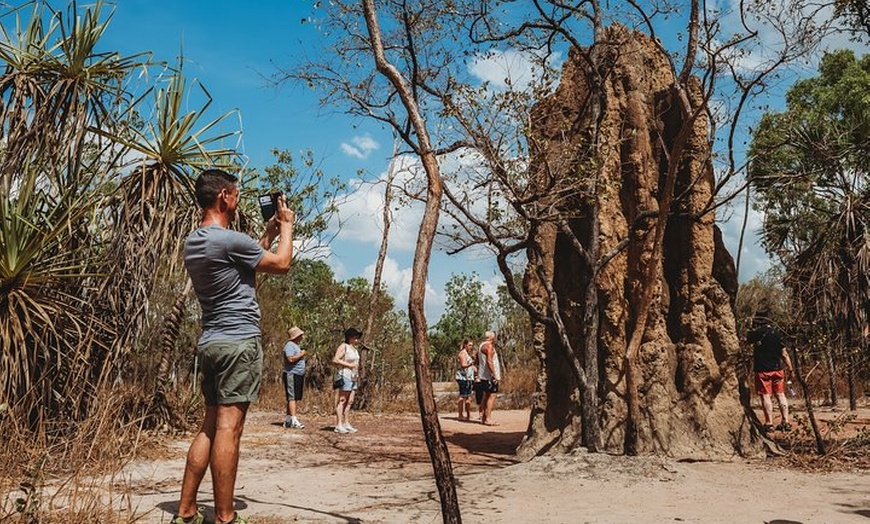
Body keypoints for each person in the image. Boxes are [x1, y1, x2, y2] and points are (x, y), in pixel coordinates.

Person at [172, 169, 294, 524]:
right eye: (236, 194)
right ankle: (225, 517)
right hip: (238, 342)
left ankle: (186, 512)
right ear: (224, 196)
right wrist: (285, 226)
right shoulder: (230, 241)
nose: (238, 199)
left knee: (209, 425)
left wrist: (266, 234)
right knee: (229, 428)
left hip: (211, 341)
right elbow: (281, 264)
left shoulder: (195, 242)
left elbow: (242, 259)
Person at [747, 309, 794, 433]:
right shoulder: (778, 334)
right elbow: (784, 354)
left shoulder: (757, 333)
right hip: (777, 370)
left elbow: (746, 340)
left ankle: (769, 423)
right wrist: (790, 368)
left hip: (762, 371)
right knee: (780, 395)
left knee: (765, 396)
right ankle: (786, 422)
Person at [332, 327, 362, 434]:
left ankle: (346, 423)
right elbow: (335, 360)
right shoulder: (343, 347)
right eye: (355, 337)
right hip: (345, 375)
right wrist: (349, 365)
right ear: (350, 337)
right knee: (342, 400)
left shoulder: (354, 349)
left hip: (353, 377)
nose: (356, 339)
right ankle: (339, 424)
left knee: (350, 401)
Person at [282, 326, 307, 429]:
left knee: (294, 397)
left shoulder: (296, 345)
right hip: (291, 374)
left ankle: (288, 419)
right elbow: (290, 359)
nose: (302, 336)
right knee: (292, 397)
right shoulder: (289, 345)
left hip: (298, 374)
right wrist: (301, 355)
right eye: (300, 335)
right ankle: (293, 419)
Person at [477, 330, 502, 426]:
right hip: (489, 377)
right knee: (492, 396)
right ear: (492, 338)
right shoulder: (489, 346)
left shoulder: (481, 345)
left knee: (487, 395)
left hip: (484, 376)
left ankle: (484, 417)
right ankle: (488, 418)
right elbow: (489, 361)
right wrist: (494, 375)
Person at [455, 338, 476, 421]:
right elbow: (463, 365)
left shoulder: (467, 354)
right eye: (469, 345)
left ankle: (468, 415)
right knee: (462, 396)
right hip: (463, 378)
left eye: (472, 345)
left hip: (468, 378)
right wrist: (471, 364)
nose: (471, 347)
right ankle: (460, 414)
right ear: (465, 345)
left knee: (468, 397)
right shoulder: (462, 354)